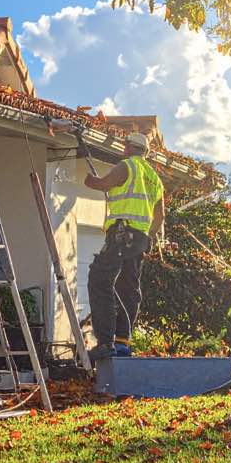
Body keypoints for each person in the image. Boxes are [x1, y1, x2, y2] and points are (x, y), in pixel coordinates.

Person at [83, 131, 164, 360]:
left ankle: (105, 342)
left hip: (121, 233)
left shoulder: (127, 166)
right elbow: (160, 217)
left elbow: (103, 184)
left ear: (128, 148)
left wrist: (90, 180)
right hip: (139, 239)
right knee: (128, 287)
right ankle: (122, 341)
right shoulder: (154, 178)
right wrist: (148, 237)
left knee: (99, 280)